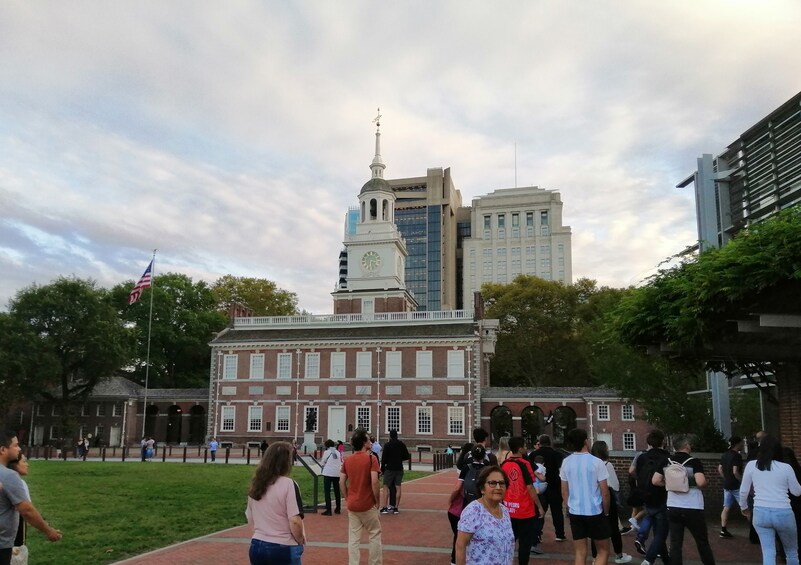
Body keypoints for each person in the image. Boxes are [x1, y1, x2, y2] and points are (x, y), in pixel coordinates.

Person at [653, 433, 715, 565]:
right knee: (702, 542)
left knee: (675, 543)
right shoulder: (694, 462)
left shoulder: (666, 461)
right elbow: (701, 482)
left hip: (673, 506)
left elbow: (655, 480)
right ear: (687, 446)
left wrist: (670, 484)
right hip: (693, 507)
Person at [1, 432, 62, 565]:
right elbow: (27, 510)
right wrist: (48, 531)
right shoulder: (9, 476)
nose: (19, 449)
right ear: (3, 449)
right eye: (16, 445)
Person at [740, 434, 801, 565]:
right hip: (783, 512)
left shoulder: (751, 466)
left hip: (760, 512)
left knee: (768, 552)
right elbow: (796, 492)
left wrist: (743, 507)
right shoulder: (786, 468)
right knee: (791, 552)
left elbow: (744, 490)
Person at [246, 441, 305, 564]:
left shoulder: (256, 484)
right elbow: (295, 520)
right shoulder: (289, 484)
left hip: (257, 544)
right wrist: (300, 540)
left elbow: (250, 517)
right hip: (283, 545)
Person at [559, 428, 611, 565]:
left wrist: (569, 507)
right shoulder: (597, 462)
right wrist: (606, 511)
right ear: (585, 441)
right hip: (595, 510)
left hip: (576, 511)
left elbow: (564, 491)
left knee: (580, 552)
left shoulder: (566, 462)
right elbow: (605, 492)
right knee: (603, 550)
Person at [455, 465, 515, 565]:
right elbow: (460, 546)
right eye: (492, 483)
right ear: (482, 488)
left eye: (502, 483)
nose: (498, 487)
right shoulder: (473, 511)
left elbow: (508, 548)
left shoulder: (504, 510)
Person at [341, 430, 381, 565]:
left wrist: (347, 497)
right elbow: (375, 482)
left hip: (352, 504)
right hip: (368, 504)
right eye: (368, 440)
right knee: (374, 534)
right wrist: (377, 501)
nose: (370, 441)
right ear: (364, 443)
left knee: (353, 539)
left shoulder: (348, 459)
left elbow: (341, 482)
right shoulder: (371, 458)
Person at [500, 436, 543, 563]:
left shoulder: (504, 464)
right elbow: (530, 487)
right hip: (524, 509)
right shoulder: (525, 464)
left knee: (509, 540)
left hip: (508, 508)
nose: (525, 448)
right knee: (525, 544)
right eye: (524, 446)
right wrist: (539, 506)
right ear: (520, 449)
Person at [632, 429, 670, 565]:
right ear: (663, 441)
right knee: (661, 533)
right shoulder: (667, 458)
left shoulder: (642, 457)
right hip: (662, 496)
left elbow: (636, 473)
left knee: (656, 527)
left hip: (646, 495)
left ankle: (666, 559)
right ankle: (649, 560)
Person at [590, 441, 632, 564]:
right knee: (613, 528)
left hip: (593, 500)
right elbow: (615, 485)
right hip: (607, 498)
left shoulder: (590, 464)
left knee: (595, 531)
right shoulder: (607, 465)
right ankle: (619, 555)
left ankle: (595, 557)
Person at [448, 444, 488, 565]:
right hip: (483, 505)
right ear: (484, 456)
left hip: (466, 505)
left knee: (460, 535)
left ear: (471, 455)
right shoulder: (488, 468)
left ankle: (455, 560)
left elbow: (458, 487)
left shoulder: (466, 468)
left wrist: (450, 500)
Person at [527, 434, 566, 542]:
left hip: (539, 488)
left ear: (540, 443)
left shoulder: (533, 454)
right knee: (557, 511)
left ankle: (537, 534)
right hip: (554, 486)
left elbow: (529, 471)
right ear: (550, 442)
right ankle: (560, 534)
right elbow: (561, 471)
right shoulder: (557, 454)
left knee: (539, 511)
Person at [379, 429, 410, 515]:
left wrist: (382, 469)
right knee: (398, 487)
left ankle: (385, 507)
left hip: (389, 468)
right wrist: (400, 459)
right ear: (397, 435)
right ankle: (396, 507)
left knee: (385, 487)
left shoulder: (387, 445)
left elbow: (384, 458)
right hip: (399, 468)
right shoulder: (401, 444)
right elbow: (407, 456)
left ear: (390, 436)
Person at [718, 436, 743, 539]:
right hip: (736, 486)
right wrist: (742, 481)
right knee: (745, 508)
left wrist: (726, 478)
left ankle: (723, 529)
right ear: (737, 444)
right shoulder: (737, 456)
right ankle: (754, 530)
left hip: (727, 485)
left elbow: (720, 468)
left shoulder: (724, 455)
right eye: (741, 443)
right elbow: (735, 471)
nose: (742, 444)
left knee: (726, 508)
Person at [7, 455, 29, 564]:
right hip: (13, 542)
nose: (27, 464)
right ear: (15, 465)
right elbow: (27, 512)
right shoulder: (19, 484)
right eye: (24, 461)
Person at [320, 439, 342, 516]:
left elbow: (322, 462)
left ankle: (328, 510)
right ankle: (338, 508)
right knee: (337, 491)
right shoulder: (338, 452)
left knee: (327, 491)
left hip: (328, 473)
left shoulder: (326, 452)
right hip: (337, 473)